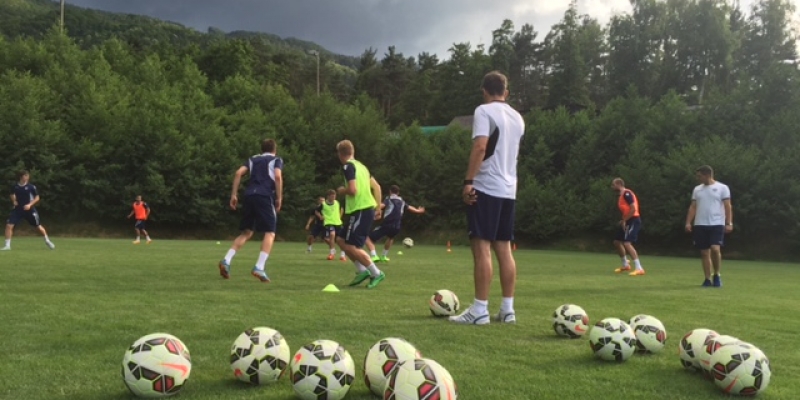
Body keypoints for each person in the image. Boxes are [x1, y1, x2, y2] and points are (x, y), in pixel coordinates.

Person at [450, 71, 524, 325]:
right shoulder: (518, 117)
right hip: (509, 190)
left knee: (481, 246)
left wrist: (468, 181)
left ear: (484, 91)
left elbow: (481, 146)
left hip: (486, 186)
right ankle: (507, 309)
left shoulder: (483, 111)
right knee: (503, 247)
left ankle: (480, 309)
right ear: (507, 91)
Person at [218, 138, 283, 283]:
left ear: (262, 149)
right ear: (274, 149)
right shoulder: (276, 160)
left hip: (249, 195)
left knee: (247, 232)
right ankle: (259, 266)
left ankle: (226, 260)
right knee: (270, 232)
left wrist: (234, 194)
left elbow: (238, 173)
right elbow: (278, 176)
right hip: (264, 195)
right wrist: (279, 198)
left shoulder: (253, 159)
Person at [335, 139, 385, 289]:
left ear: (340, 154)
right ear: (353, 151)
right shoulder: (362, 167)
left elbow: (352, 190)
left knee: (352, 246)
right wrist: (378, 208)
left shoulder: (347, 166)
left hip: (360, 210)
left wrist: (341, 191)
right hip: (363, 209)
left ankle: (376, 273)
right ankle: (362, 270)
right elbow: (377, 187)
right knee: (340, 240)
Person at [685, 165, 732, 288]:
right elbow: (693, 206)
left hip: (717, 223)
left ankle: (717, 275)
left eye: (699, 176)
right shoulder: (697, 189)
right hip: (700, 224)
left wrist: (729, 223)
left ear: (707, 175)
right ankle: (707, 279)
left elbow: (727, 206)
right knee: (704, 253)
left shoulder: (722, 188)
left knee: (715, 249)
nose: (698, 178)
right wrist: (688, 222)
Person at [366, 185, 425, 263]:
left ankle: (374, 256)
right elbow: (411, 208)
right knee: (390, 238)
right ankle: (384, 256)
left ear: (390, 191)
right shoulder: (402, 201)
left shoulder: (389, 199)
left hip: (387, 224)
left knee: (368, 238)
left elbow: (381, 206)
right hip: (397, 226)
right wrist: (418, 211)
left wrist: (372, 208)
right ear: (398, 192)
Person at [2, 170, 55, 251]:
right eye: (25, 176)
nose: (27, 177)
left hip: (29, 210)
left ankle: (47, 241)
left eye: (28, 176)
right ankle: (7, 246)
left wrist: (29, 205)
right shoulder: (15, 186)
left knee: (38, 226)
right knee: (9, 226)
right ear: (21, 177)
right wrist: (14, 201)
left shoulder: (31, 187)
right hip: (18, 210)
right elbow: (12, 194)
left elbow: (37, 197)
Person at [611, 178, 644, 276]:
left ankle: (639, 268)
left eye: (613, 185)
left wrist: (625, 220)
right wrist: (624, 220)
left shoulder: (627, 193)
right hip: (627, 220)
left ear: (618, 184)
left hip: (634, 220)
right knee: (617, 242)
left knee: (627, 243)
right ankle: (625, 265)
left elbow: (633, 208)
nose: (612, 187)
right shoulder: (621, 196)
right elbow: (626, 210)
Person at [320, 189, 344, 261]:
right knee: (332, 235)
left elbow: (341, 209)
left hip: (338, 223)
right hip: (328, 222)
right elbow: (316, 211)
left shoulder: (337, 203)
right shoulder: (323, 204)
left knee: (341, 240)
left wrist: (339, 217)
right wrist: (321, 216)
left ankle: (343, 255)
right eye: (332, 196)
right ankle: (332, 253)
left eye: (334, 196)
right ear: (328, 196)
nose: (334, 197)